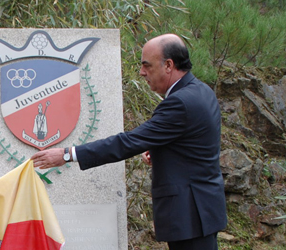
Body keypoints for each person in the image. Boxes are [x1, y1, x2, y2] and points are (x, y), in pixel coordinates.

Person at [31, 33, 226, 249]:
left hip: (190, 212)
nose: (142, 72)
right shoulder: (201, 91)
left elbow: (128, 142)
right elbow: (195, 143)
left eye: (147, 65)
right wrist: (163, 152)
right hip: (202, 209)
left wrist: (67, 154)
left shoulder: (180, 102)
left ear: (169, 65)